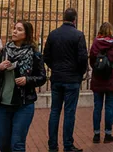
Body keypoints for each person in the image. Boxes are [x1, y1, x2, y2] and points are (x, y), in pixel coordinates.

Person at [0, 21, 46, 152]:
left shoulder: (34, 54)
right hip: (3, 104)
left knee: (17, 145)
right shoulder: (4, 51)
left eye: (19, 29)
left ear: (26, 34)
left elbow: (42, 77)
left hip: (24, 104)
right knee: (3, 145)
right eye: (14, 28)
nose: (14, 31)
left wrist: (28, 80)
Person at [45, 8, 89, 152]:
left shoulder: (53, 34)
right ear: (75, 20)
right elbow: (83, 58)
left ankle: (52, 145)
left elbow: (46, 57)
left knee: (55, 111)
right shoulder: (78, 35)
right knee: (69, 112)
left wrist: (55, 68)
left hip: (57, 78)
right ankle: (68, 145)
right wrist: (79, 73)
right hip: (72, 79)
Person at [89, 22, 113, 144]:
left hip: (98, 79)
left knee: (97, 107)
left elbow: (92, 60)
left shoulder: (95, 43)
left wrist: (98, 68)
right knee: (109, 107)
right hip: (111, 80)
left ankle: (96, 134)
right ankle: (108, 134)